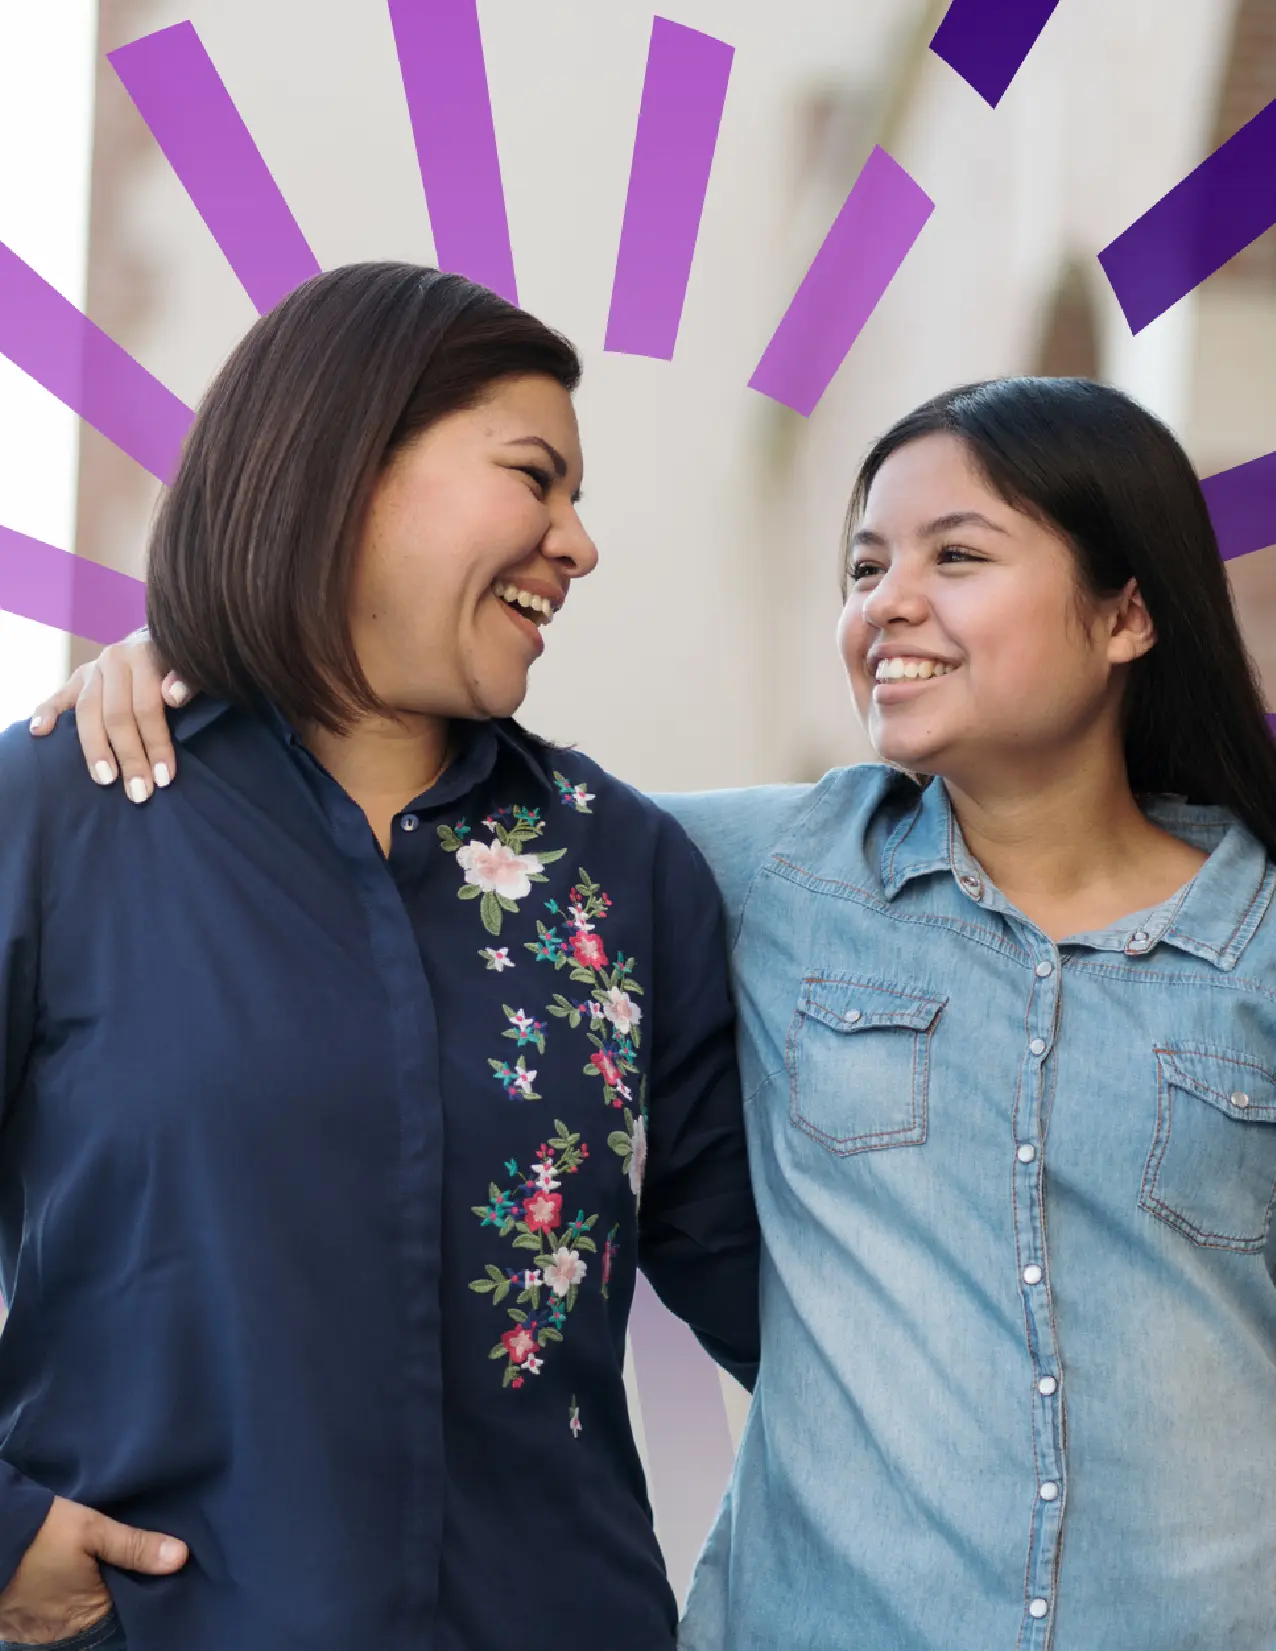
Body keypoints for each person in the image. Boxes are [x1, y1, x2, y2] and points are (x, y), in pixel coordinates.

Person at [56, 375, 1276, 1651]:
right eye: (864, 567)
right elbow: (434, 819)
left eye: (956, 556)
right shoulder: (745, 870)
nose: (887, 604)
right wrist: (221, 671)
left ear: (1127, 612)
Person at [1, 262, 759, 1651]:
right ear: (347, 463)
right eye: (537, 475)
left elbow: (799, 1298)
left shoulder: (626, 869)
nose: (577, 542)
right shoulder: (62, 817)